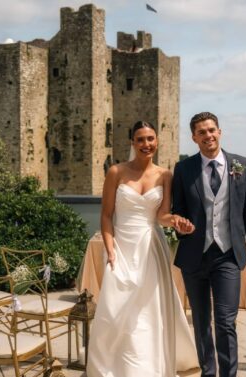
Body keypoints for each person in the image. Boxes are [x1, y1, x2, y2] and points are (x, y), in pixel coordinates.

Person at [87, 121, 199, 377]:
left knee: (148, 309)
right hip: (121, 246)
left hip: (151, 245)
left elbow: (162, 215)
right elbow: (106, 216)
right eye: (140, 139)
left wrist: (177, 222)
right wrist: (110, 249)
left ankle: (146, 366)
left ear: (157, 141)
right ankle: (111, 365)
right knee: (115, 309)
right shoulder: (116, 171)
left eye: (150, 139)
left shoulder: (165, 175)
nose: (146, 144)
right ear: (133, 143)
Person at [172, 112, 246, 377]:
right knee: (202, 322)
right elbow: (177, 208)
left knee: (225, 322)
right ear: (194, 137)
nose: (208, 135)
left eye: (211, 130)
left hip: (227, 255)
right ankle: (208, 373)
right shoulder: (184, 169)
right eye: (201, 132)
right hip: (194, 257)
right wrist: (181, 227)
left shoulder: (241, 165)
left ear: (220, 132)